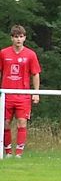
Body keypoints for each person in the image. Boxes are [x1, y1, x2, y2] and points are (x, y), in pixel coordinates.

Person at [1, 25, 42, 158]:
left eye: (21, 36)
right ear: (11, 38)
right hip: (7, 94)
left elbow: (35, 74)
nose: (18, 39)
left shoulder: (30, 54)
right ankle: (7, 152)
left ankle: (18, 153)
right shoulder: (3, 53)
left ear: (24, 38)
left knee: (22, 122)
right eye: (16, 37)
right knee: (5, 123)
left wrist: (36, 93)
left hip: (23, 95)